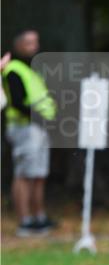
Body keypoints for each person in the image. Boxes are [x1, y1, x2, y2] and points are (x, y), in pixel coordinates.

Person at [2, 30, 57, 236]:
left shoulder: (32, 70)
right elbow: (17, 102)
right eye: (29, 42)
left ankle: (38, 217)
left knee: (39, 174)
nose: (34, 46)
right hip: (24, 128)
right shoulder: (14, 69)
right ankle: (25, 220)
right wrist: (38, 117)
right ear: (18, 45)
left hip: (39, 128)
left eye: (36, 42)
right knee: (24, 174)